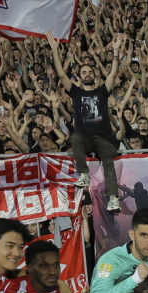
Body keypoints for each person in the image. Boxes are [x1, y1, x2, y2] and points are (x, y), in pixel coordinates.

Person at [47, 31, 124, 213]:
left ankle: (113, 199)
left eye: (90, 72)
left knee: (108, 160)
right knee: (74, 138)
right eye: (84, 72)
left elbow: (113, 74)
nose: (87, 74)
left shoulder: (101, 91)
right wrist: (55, 51)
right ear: (79, 76)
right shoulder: (76, 92)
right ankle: (83, 174)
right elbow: (60, 74)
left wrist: (116, 52)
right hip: (85, 138)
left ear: (94, 75)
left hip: (103, 139)